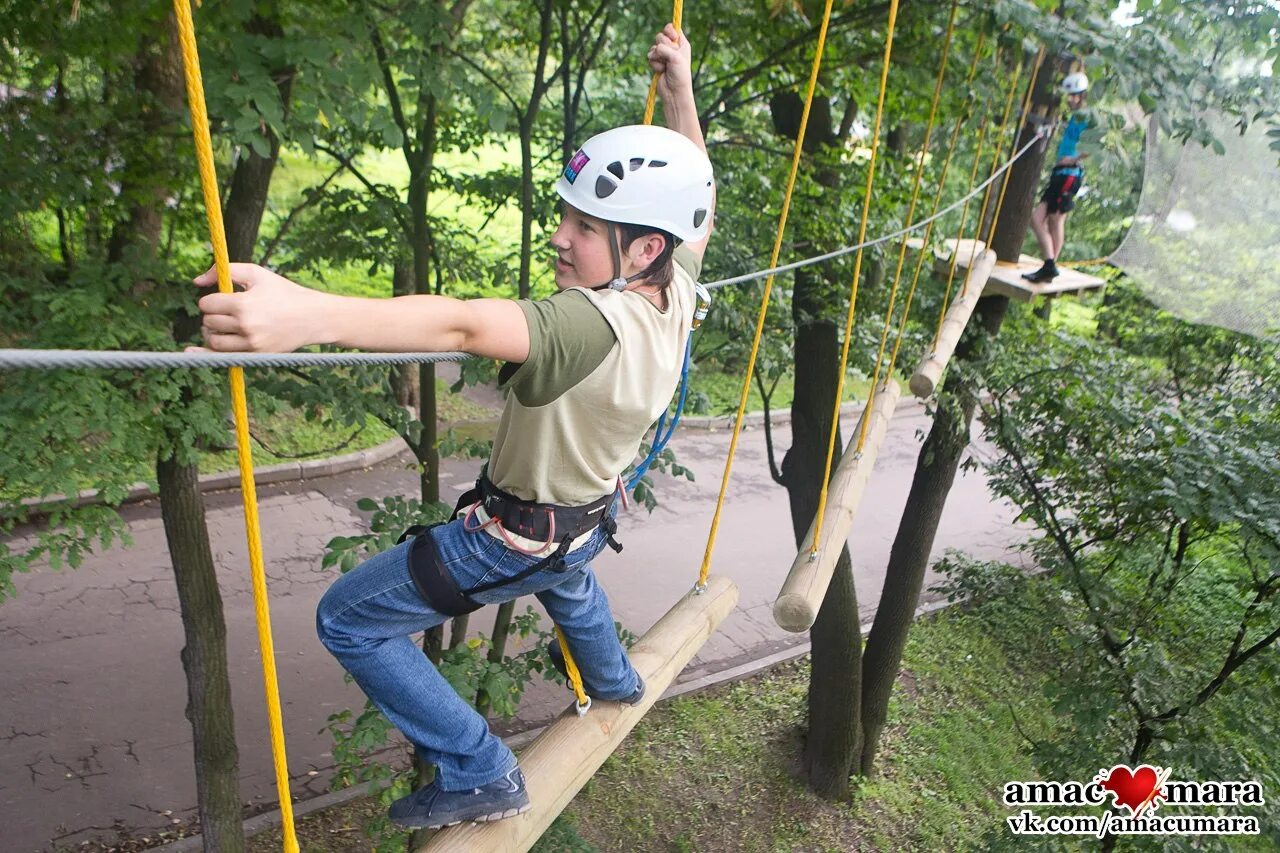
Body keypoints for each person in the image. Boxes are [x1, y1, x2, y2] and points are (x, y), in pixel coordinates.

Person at [189, 24, 713, 830]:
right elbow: (695, 185)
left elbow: (465, 326)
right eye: (564, 218)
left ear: (642, 245)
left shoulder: (590, 326)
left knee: (348, 618)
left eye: (581, 228)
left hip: (510, 536)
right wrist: (679, 88)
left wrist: (307, 313)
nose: (559, 239)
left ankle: (478, 764)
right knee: (565, 572)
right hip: (583, 516)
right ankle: (612, 679)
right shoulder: (673, 283)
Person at [1022, 71, 1096, 283]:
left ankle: (1049, 265)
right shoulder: (1074, 116)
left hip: (1069, 174)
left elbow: (1095, 144)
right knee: (1040, 219)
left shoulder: (1088, 117)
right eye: (1070, 96)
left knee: (1054, 219)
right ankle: (1050, 264)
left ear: (1083, 95)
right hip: (1060, 174)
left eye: (1075, 96)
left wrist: (1072, 160)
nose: (1071, 100)